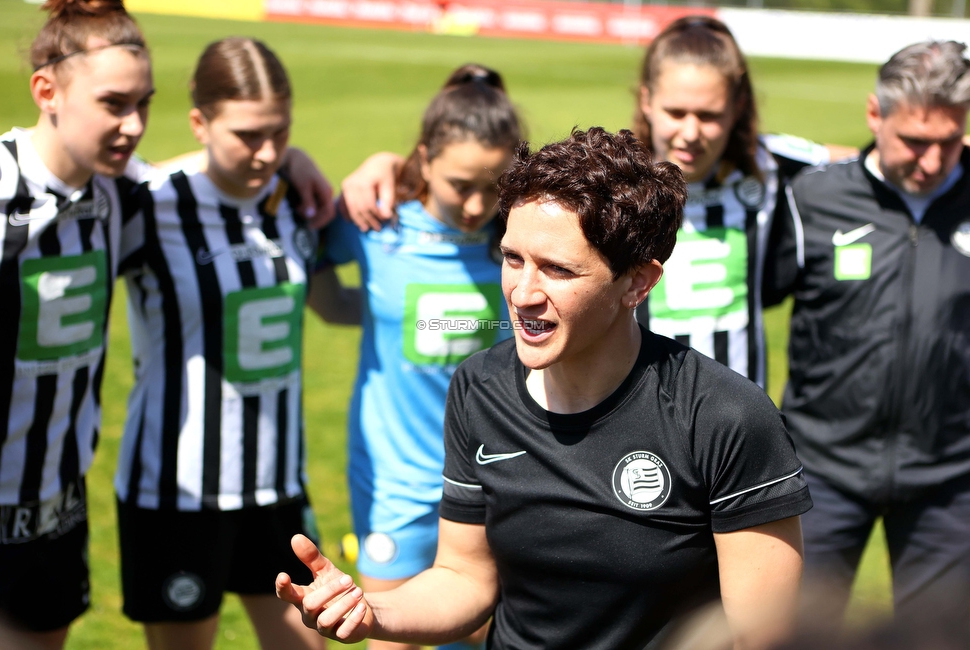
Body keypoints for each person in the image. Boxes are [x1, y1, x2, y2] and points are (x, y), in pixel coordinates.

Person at [277, 127, 813, 650]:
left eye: (557, 269)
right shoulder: (479, 388)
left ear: (638, 282)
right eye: (513, 259)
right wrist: (374, 612)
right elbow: (464, 577)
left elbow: (759, 636)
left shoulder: (725, 416)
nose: (523, 293)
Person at [338, 16, 850, 389]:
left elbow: (868, 163)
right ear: (647, 99)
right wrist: (387, 163)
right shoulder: (614, 179)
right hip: (628, 404)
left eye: (709, 114)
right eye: (676, 110)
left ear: (738, 108)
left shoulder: (774, 165)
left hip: (735, 418)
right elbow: (509, 188)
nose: (691, 132)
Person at [114, 37, 358, 650]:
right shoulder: (151, 202)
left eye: (281, 133)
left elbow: (333, 306)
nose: (268, 152)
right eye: (248, 135)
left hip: (278, 486)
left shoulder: (294, 201)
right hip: (175, 491)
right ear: (199, 122)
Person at [767, 41, 970, 623]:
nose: (930, 162)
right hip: (820, 472)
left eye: (948, 141)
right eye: (914, 141)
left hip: (951, 481)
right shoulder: (813, 199)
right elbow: (752, 296)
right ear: (875, 115)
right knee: (788, 633)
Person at [321, 63, 520, 650]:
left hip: (499, 477)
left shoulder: (521, 237)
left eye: (495, 185)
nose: (478, 203)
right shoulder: (373, 224)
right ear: (425, 157)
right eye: (462, 184)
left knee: (481, 637)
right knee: (391, 637)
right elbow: (322, 289)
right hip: (395, 482)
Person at [0, 2, 152, 648]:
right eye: (114, 103)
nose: (135, 125)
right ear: (47, 91)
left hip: (54, 507)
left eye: (144, 103)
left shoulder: (120, 195)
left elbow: (223, 178)